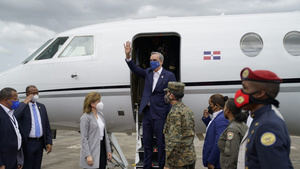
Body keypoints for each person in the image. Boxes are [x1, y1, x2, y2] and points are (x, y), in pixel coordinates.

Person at [124, 41, 176, 169]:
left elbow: (174, 94)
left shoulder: (169, 75)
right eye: (150, 59)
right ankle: (147, 166)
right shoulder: (148, 72)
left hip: (160, 114)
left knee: (161, 143)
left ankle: (162, 166)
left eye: (154, 60)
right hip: (147, 113)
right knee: (146, 143)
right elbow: (135, 69)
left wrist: (168, 111)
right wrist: (128, 56)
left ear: (161, 62)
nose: (152, 62)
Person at [234, 67, 294, 169]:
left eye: (245, 88)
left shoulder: (267, 126)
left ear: (260, 93)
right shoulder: (259, 119)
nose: (241, 93)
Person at [14, 85, 52, 169]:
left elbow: (46, 125)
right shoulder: (22, 106)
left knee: (37, 166)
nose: (35, 95)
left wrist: (49, 142)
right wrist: (25, 102)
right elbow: (15, 115)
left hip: (40, 142)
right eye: (33, 93)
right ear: (27, 94)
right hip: (27, 143)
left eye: (37, 92)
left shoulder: (41, 106)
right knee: (27, 166)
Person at [163, 82, 196, 169]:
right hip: (189, 157)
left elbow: (174, 140)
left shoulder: (175, 113)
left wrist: (167, 164)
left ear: (172, 95)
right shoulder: (187, 109)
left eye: (167, 92)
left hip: (178, 161)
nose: (166, 95)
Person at [80, 92, 112, 169]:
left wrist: (108, 150)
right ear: (92, 103)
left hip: (102, 148)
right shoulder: (85, 117)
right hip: (92, 149)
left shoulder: (101, 115)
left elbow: (105, 135)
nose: (101, 103)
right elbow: (84, 138)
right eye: (98, 101)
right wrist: (88, 155)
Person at [217, 98, 248, 169]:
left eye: (224, 107)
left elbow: (232, 154)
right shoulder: (242, 124)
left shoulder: (232, 129)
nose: (223, 110)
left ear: (228, 110)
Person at [202, 94, 229, 169]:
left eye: (210, 104)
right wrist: (207, 119)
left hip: (217, 163)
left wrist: (211, 161)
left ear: (216, 106)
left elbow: (219, 141)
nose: (208, 107)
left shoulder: (222, 118)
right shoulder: (218, 117)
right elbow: (213, 130)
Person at [0, 87, 23, 169]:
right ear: (6, 100)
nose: (17, 101)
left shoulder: (11, 113)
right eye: (15, 98)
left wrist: (19, 160)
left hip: (14, 159)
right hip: (4, 161)